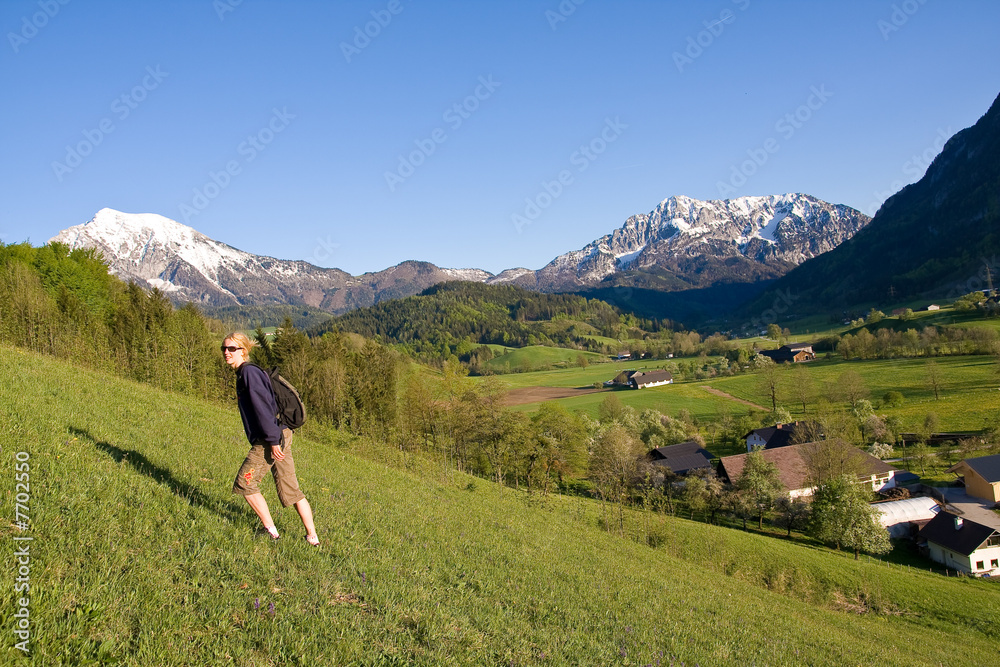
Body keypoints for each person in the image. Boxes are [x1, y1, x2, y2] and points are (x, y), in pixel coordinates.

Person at [222, 332, 319, 546]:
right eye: (224, 349)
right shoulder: (246, 373)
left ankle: (271, 532)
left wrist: (273, 441)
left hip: (271, 437)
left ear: (243, 351)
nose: (226, 353)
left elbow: (263, 410)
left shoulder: (248, 373)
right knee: (290, 488)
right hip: (281, 432)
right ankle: (312, 537)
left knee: (245, 483)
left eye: (232, 349)